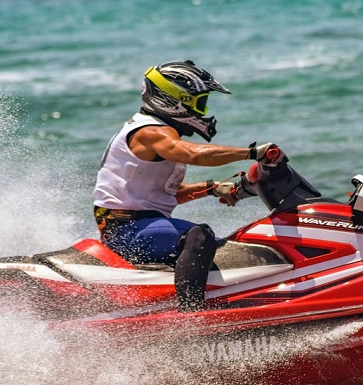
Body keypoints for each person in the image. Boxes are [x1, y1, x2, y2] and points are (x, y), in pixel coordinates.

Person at [93, 60, 281, 312]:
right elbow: (194, 154)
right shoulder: (150, 132)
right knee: (199, 235)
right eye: (199, 103)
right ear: (173, 101)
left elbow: (163, 195)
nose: (203, 112)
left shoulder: (157, 132)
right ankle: (191, 315)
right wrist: (251, 153)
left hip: (140, 224)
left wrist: (212, 188)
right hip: (125, 231)